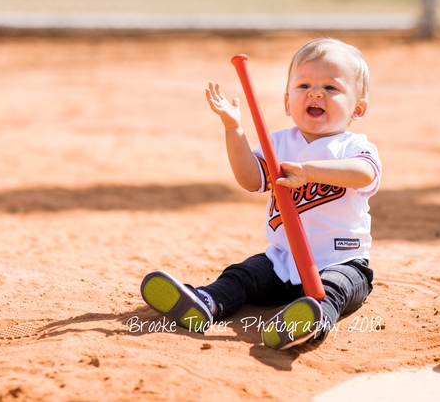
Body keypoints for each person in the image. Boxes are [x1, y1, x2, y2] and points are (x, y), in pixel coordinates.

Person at [140, 38, 381, 350]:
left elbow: (365, 173)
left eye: (331, 88)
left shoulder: (353, 147)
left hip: (343, 259)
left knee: (335, 288)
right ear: (286, 102)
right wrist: (234, 131)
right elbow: (251, 179)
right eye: (304, 84)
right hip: (283, 260)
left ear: (357, 109)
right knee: (243, 276)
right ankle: (206, 302)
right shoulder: (278, 143)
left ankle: (311, 321)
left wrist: (310, 173)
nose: (316, 93)